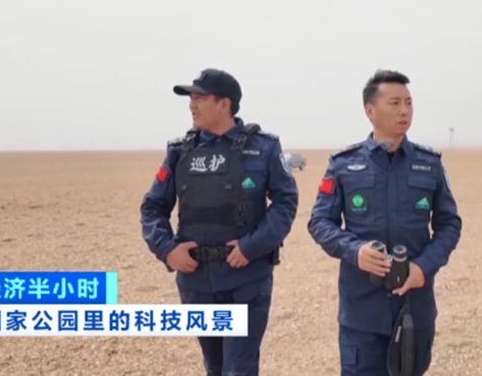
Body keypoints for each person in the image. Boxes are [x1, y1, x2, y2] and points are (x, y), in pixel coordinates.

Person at [141, 68, 298, 376]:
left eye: (200, 98)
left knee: (238, 369)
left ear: (224, 104)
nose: (192, 105)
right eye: (190, 98)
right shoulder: (180, 152)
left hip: (246, 280)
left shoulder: (263, 148)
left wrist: (252, 246)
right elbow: (153, 207)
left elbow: (285, 202)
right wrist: (167, 250)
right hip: (197, 282)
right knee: (215, 366)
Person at [308, 69, 462, 376]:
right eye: (394, 103)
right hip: (362, 313)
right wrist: (355, 251)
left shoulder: (429, 164)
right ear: (370, 111)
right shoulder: (344, 165)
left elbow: (449, 225)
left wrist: (423, 268)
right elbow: (320, 221)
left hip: (414, 308)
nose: (404, 110)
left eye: (408, 102)